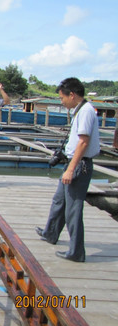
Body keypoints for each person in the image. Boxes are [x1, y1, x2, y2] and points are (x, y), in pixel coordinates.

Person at [36, 77, 100, 262]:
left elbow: (83, 142)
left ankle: (76, 251)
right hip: (73, 162)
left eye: (62, 98)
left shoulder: (86, 111)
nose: (61, 102)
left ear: (72, 95)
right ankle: (51, 232)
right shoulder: (80, 111)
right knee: (59, 201)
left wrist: (71, 169)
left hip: (79, 165)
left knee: (73, 209)